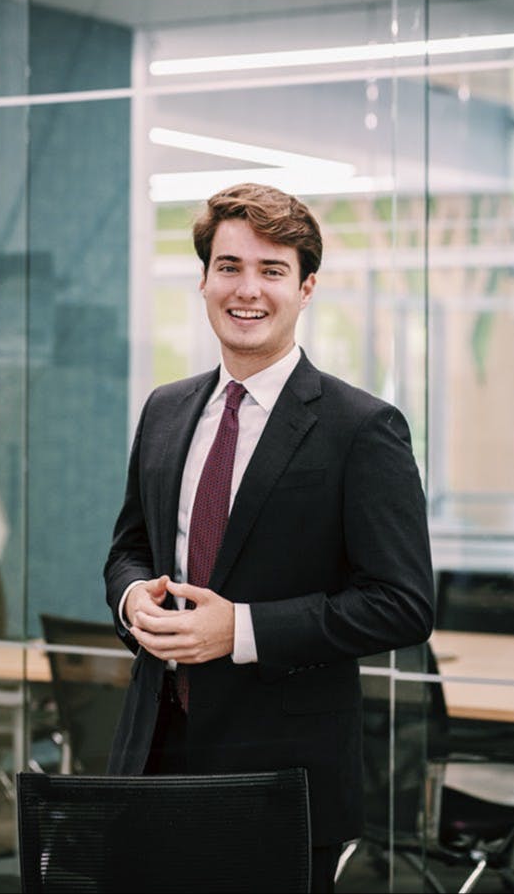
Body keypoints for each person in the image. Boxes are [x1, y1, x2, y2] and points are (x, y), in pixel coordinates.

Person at [104, 182, 434, 892]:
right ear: (203, 279)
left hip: (282, 771)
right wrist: (135, 598)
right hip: (152, 750)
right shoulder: (164, 411)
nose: (246, 288)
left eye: (271, 270)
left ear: (306, 286)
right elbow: (128, 545)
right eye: (229, 266)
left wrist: (242, 629)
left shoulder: (362, 428)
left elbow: (403, 602)